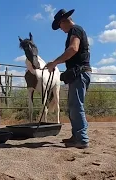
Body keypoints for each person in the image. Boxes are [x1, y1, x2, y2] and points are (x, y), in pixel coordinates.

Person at [44, 8, 92, 149]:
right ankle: (76, 136)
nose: (61, 29)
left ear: (64, 21)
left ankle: (82, 139)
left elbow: (73, 49)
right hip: (78, 73)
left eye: (60, 26)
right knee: (73, 106)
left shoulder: (75, 30)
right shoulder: (74, 31)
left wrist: (54, 63)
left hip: (79, 73)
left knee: (76, 106)